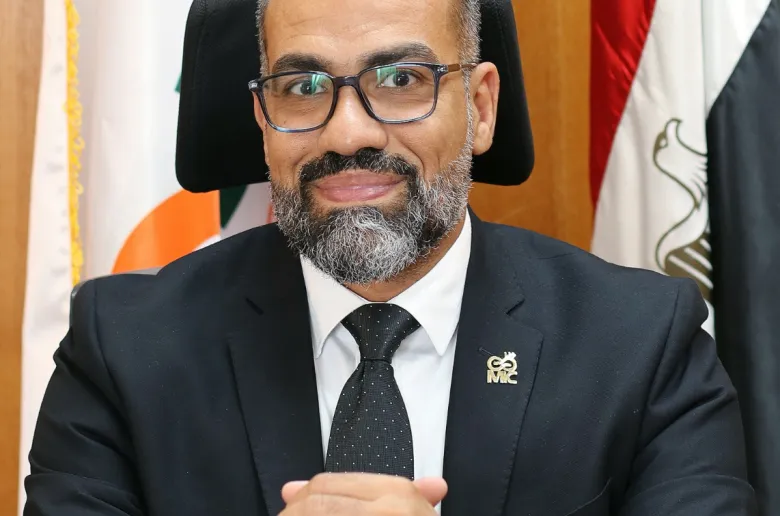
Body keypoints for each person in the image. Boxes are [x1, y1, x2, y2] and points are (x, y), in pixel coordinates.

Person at [24, 0, 757, 514]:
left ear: (481, 108)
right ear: (263, 119)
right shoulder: (125, 348)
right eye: (303, 87)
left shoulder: (639, 344)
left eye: (401, 79)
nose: (348, 133)